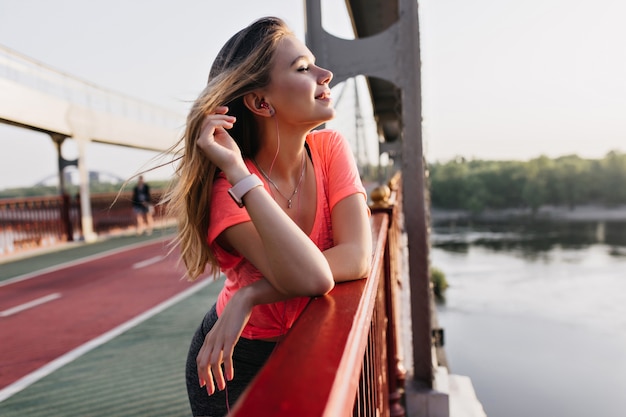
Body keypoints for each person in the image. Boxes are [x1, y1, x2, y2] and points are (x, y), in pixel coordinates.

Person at [164, 16, 372, 416]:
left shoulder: (330, 149)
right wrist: (241, 174)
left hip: (309, 339)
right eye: (303, 69)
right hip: (236, 362)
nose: (325, 74)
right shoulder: (228, 191)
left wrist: (253, 293)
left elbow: (358, 257)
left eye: (314, 64)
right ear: (261, 103)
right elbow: (313, 278)